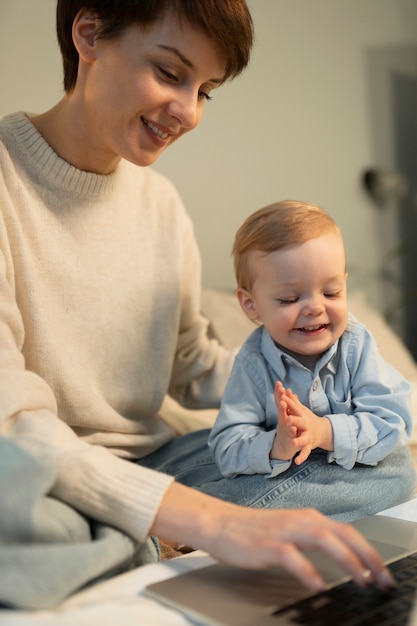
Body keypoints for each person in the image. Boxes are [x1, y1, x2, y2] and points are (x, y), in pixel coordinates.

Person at [0, 0, 403, 597]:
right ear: (88, 34)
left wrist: (319, 389)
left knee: (387, 468)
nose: (187, 112)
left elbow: (191, 363)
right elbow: (12, 427)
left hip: (156, 462)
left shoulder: (160, 206)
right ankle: (152, 535)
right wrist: (214, 519)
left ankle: (132, 541)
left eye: (206, 90)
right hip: (35, 475)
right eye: (169, 73)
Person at [208, 200, 414, 482]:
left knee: (399, 472)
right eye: (290, 299)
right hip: (289, 473)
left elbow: (393, 421)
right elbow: (227, 446)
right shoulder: (252, 362)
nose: (315, 308)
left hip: (355, 464)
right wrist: (277, 446)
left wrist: (323, 432)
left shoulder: (355, 344)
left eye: (331, 293)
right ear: (251, 304)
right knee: (235, 478)